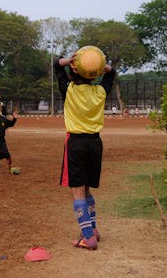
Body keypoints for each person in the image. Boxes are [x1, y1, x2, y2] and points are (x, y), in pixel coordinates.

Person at [54, 54, 116, 250]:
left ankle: (88, 237)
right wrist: (97, 65)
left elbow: (57, 65)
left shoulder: (69, 90)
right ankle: (93, 230)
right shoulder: (100, 91)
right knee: (87, 189)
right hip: (95, 143)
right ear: (95, 74)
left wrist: (69, 60)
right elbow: (111, 73)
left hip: (77, 143)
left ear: (74, 69)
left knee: (77, 191)